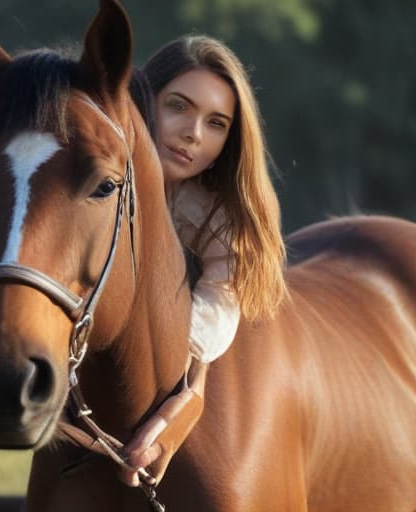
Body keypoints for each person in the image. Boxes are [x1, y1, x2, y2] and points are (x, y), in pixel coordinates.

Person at [123, 35, 287, 486]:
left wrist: (175, 360)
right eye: (178, 106)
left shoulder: (217, 216)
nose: (193, 133)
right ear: (144, 99)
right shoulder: (104, 182)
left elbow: (218, 302)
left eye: (216, 123)